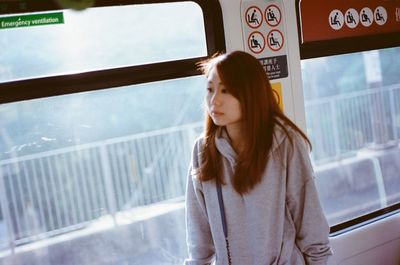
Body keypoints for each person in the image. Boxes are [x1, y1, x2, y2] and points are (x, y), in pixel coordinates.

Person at [184, 51, 332, 265]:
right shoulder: (203, 150)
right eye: (210, 89)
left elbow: (310, 223)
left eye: (226, 90)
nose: (214, 100)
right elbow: (198, 235)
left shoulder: (286, 144)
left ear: (249, 94)